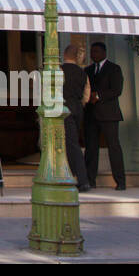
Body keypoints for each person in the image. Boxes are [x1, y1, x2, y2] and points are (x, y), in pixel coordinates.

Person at [83, 42, 126, 190]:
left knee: (114, 147)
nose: (93, 54)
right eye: (92, 52)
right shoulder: (87, 70)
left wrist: (99, 96)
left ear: (104, 53)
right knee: (91, 148)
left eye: (96, 52)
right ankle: (90, 180)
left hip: (109, 114)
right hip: (91, 115)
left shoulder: (114, 69)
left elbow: (117, 90)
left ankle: (120, 181)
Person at [61, 44, 91, 192]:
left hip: (63, 108)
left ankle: (82, 179)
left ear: (64, 55)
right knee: (72, 142)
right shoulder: (83, 73)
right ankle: (72, 175)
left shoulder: (58, 70)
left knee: (71, 144)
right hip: (78, 108)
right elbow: (86, 95)